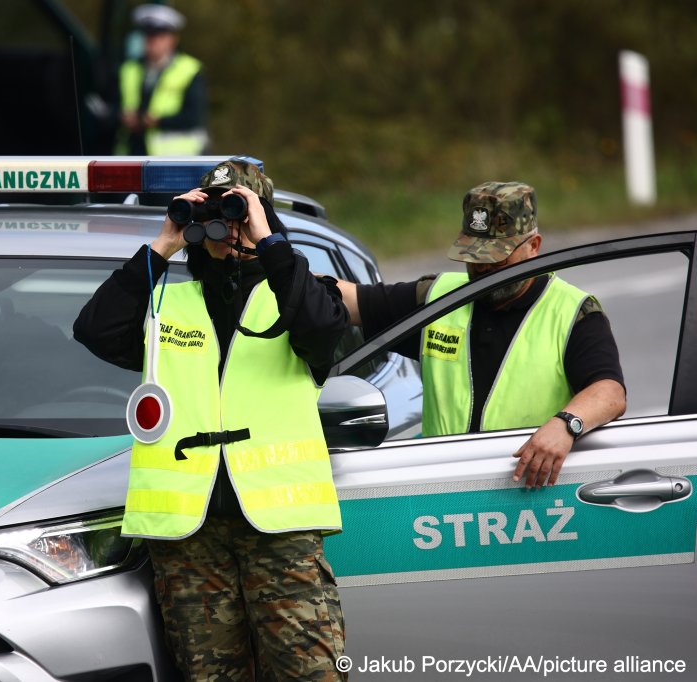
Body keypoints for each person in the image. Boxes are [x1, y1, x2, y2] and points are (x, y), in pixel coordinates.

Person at [74, 159, 349, 680]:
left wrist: (265, 238)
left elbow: (321, 330)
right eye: (219, 214)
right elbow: (96, 328)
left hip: (280, 531)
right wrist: (163, 245)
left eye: (237, 212)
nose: (226, 229)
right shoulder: (168, 304)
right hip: (188, 536)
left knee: (312, 674)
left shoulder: (297, 296)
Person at [338, 181, 627, 488]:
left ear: (534, 246)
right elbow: (347, 300)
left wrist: (567, 425)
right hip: (443, 493)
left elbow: (610, 392)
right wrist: (283, 265)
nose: (483, 268)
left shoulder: (571, 312)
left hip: (528, 497)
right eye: (473, 257)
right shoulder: (437, 296)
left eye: (496, 257)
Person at [115, 4, 208, 155]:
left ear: (172, 39)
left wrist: (157, 121)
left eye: (159, 36)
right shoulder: (128, 69)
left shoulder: (190, 69)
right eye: (148, 35)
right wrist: (122, 117)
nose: (153, 41)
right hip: (132, 154)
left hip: (174, 160)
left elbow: (194, 117)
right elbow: (111, 107)